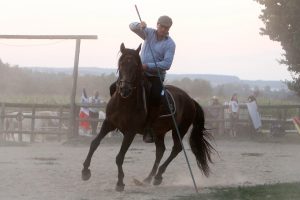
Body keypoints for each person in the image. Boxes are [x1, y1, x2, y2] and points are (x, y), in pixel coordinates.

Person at [110, 15, 176, 143]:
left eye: (165, 27)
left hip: (155, 76)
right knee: (114, 87)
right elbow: (131, 27)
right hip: (139, 73)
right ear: (157, 25)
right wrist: (139, 25)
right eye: (161, 26)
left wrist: (147, 66)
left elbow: (166, 64)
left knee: (156, 95)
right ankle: (116, 118)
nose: (162, 29)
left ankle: (149, 128)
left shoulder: (170, 44)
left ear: (168, 29)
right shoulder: (149, 33)